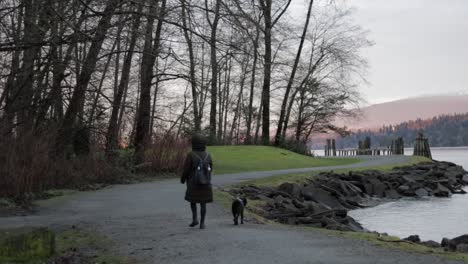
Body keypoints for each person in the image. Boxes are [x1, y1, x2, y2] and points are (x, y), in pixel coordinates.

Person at [180, 134, 213, 229]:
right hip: (205, 183)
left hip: (193, 183)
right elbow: (211, 169)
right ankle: (202, 223)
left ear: (194, 144)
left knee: (193, 201)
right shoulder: (208, 155)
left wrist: (183, 179)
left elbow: (186, 169)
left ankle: (195, 219)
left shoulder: (191, 155)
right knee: (203, 203)